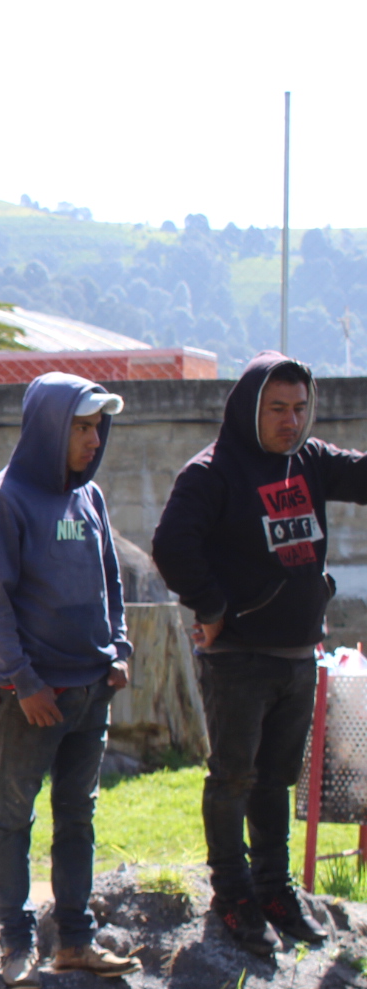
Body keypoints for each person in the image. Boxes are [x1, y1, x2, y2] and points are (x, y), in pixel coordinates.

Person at [152, 352, 362, 956]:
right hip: (240, 659)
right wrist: (213, 609)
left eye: (300, 409)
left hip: (299, 656)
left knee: (277, 780)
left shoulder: (312, 461)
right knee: (233, 779)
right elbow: (171, 545)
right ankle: (234, 895)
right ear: (250, 408)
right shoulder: (212, 473)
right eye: (277, 409)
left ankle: (275, 890)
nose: (291, 422)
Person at [0, 373, 141, 989]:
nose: (94, 440)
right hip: (33, 699)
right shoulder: (2, 501)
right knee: (15, 816)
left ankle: (74, 939)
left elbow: (110, 583)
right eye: (82, 426)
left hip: (93, 689)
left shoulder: (88, 498)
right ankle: (15, 945)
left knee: (78, 816)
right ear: (49, 427)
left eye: (99, 427)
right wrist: (25, 681)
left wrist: (118, 650)